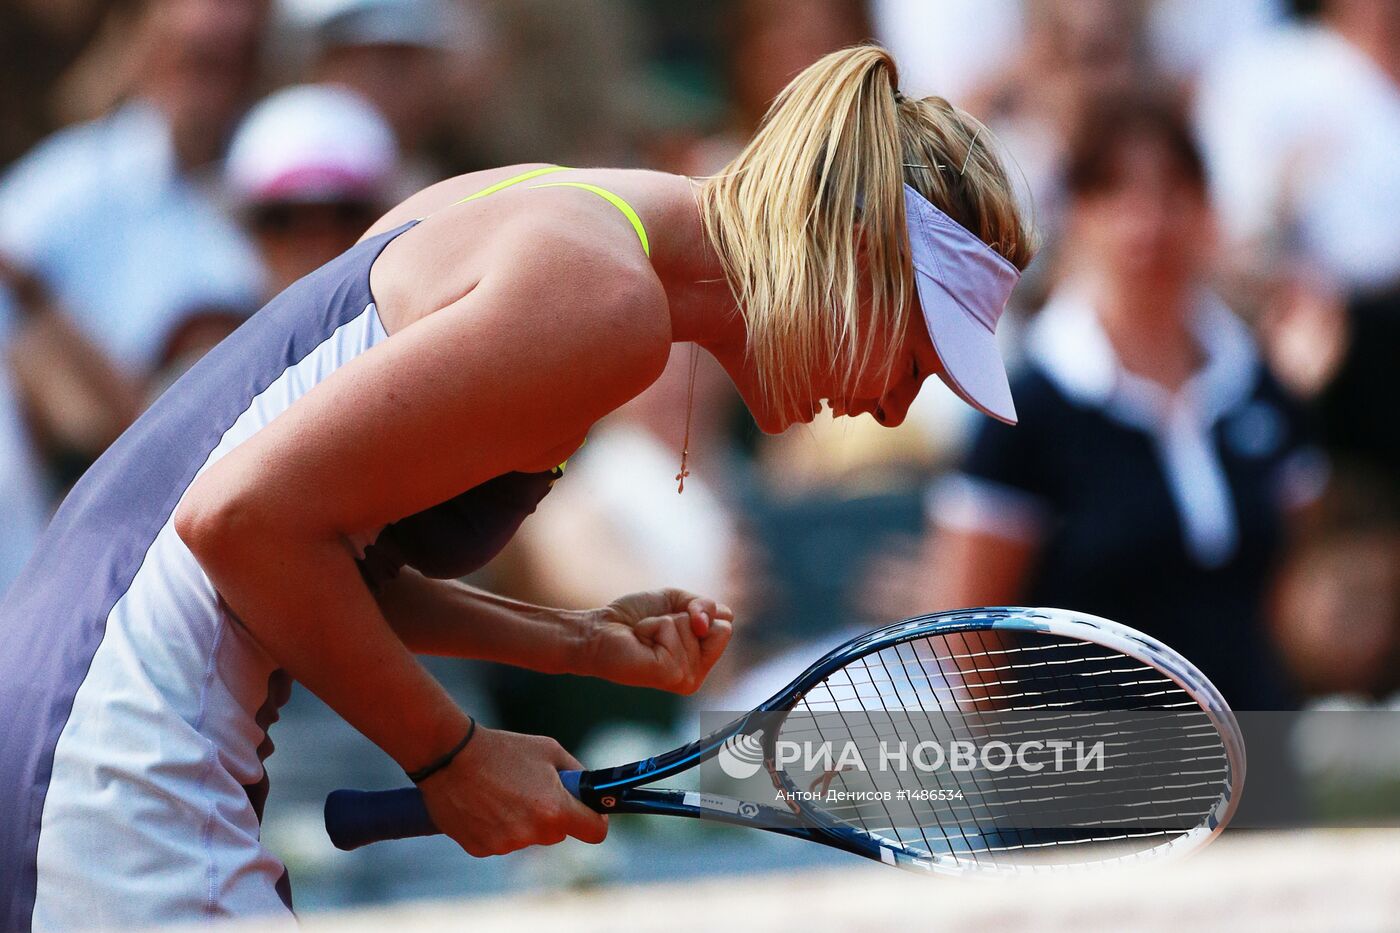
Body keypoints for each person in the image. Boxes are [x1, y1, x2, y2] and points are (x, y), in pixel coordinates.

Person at [0, 45, 1034, 928]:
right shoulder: (602, 302)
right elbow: (239, 524)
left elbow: (305, 554)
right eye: (916, 357)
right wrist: (447, 755)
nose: (899, 409)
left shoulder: (546, 210)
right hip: (115, 749)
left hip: (58, 688)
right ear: (853, 260)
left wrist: (575, 640)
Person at [922, 95, 1322, 711]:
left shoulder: (1259, 387)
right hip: (1092, 782)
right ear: (1079, 216)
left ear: (1206, 210)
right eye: (1116, 193)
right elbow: (966, 639)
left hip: (1258, 761)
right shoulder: (1026, 411)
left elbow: (1295, 585)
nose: (1150, 223)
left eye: (1173, 191)